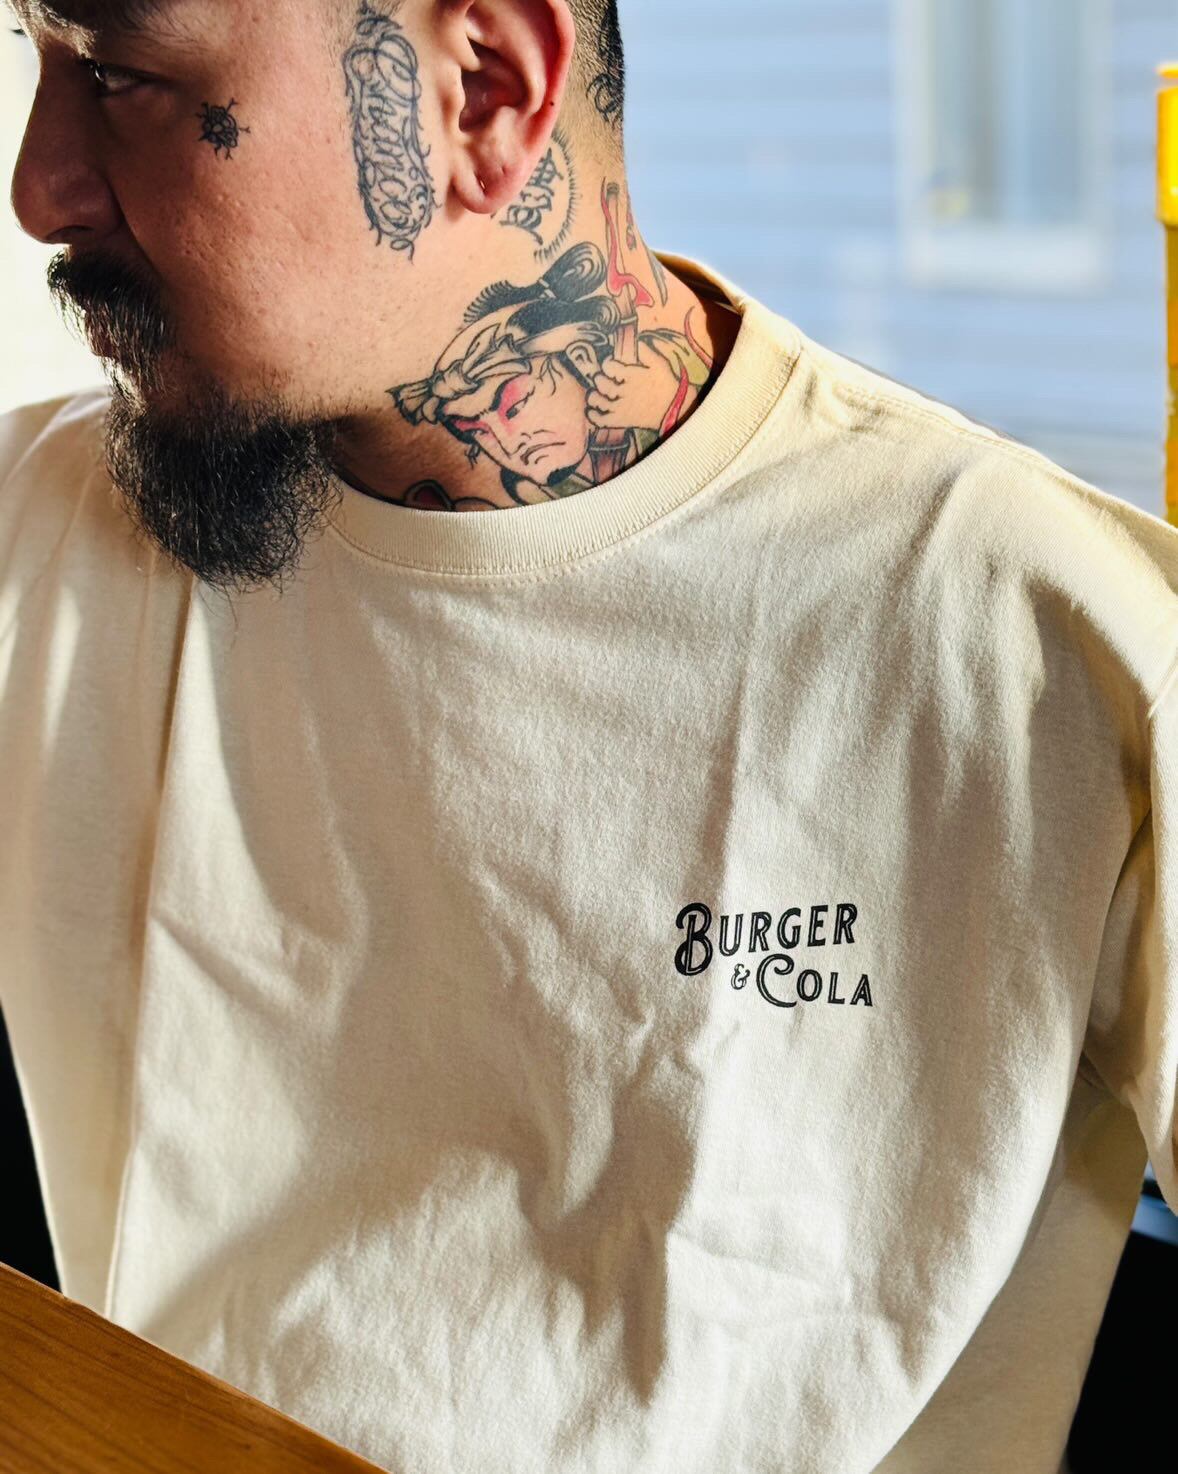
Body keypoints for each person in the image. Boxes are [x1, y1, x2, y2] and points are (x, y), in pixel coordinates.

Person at [0, 3, 1174, 1471]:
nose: (40, 186)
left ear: (483, 91)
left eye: (121, 75)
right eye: (40, 61)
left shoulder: (1044, 641)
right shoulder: (38, 540)